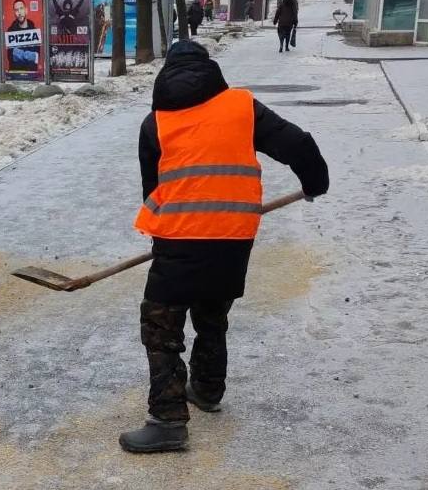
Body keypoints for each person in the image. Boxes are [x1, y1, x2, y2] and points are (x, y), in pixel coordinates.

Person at [118, 40, 329, 454]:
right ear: (211, 72)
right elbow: (298, 144)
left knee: (161, 328)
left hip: (179, 237)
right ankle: (208, 390)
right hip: (234, 235)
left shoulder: (155, 123)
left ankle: (167, 421)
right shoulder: (243, 108)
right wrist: (314, 182)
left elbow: (153, 192)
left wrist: (167, 236)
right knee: (212, 313)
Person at [7, 0, 39, 71]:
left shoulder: (34, 30)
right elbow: (11, 56)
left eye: (21, 8)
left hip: (31, 73)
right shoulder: (10, 31)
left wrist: (18, 53)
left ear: (26, 10)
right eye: (16, 10)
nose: (19, 12)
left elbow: (36, 57)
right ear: (14, 13)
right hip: (15, 73)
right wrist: (29, 55)